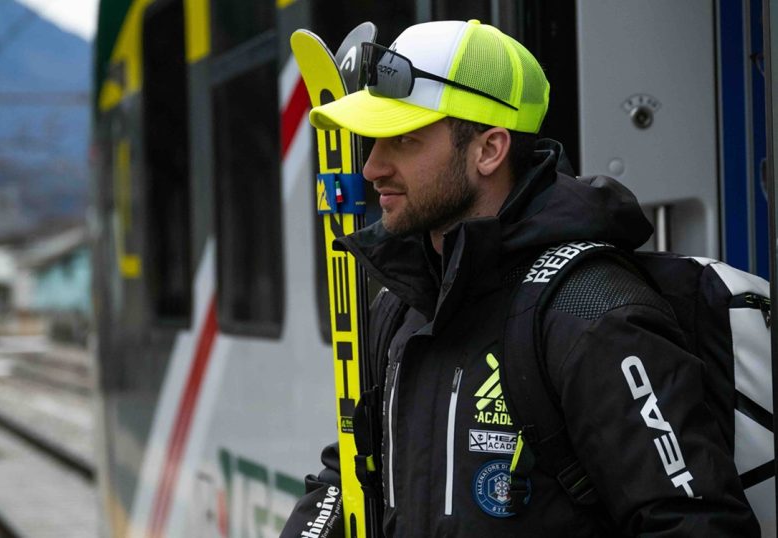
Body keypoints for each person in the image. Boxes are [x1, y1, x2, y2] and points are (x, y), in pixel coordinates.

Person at [281, 19, 759, 537]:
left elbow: (695, 525)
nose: (372, 167)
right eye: (375, 141)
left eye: (404, 141)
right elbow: (350, 471)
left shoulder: (592, 311)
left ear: (489, 150)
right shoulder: (402, 303)